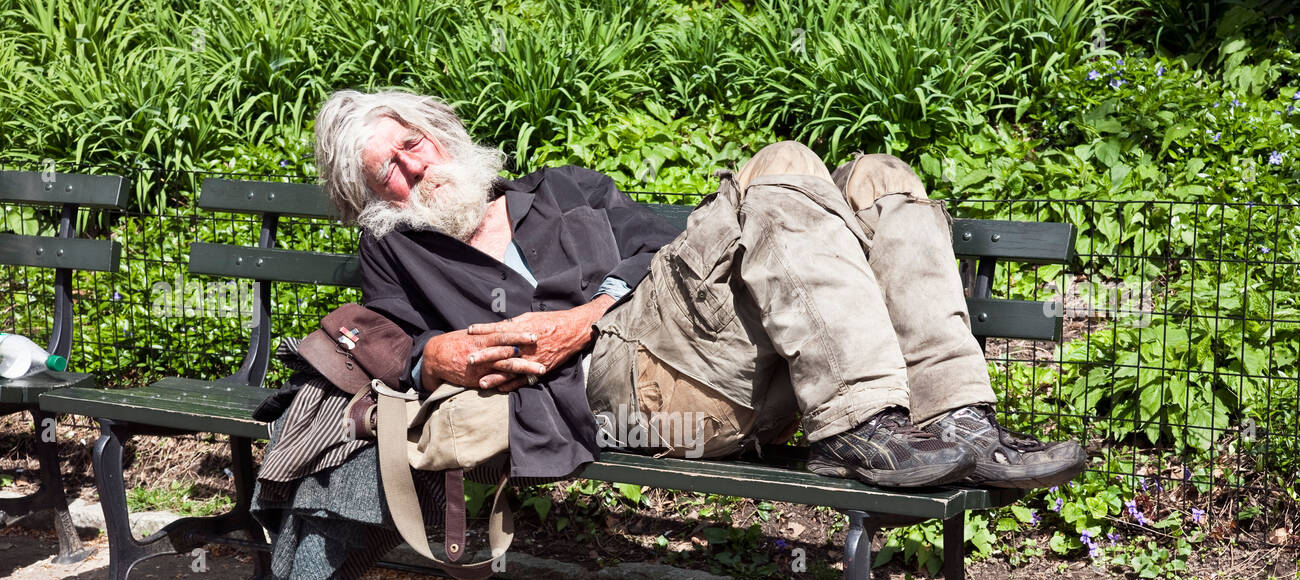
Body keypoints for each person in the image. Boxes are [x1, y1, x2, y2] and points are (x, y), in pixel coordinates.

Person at [312, 89, 1084, 489]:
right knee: (779, 162)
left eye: (410, 145)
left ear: (437, 133)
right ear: (372, 196)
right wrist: (433, 359)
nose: (413, 169)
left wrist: (588, 310)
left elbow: (660, 245)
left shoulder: (563, 189)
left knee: (878, 176)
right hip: (625, 395)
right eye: (390, 171)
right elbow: (382, 340)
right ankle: (863, 423)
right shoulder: (398, 252)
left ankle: (961, 423)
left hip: (714, 356)